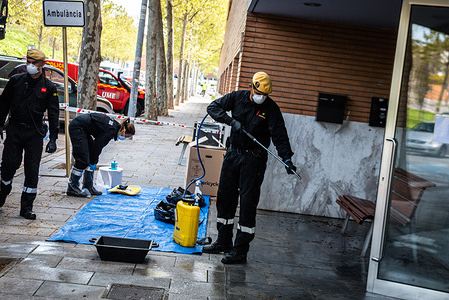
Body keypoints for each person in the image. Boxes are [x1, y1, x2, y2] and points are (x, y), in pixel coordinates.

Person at [204, 71, 297, 264]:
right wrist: (231, 121)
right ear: (251, 87)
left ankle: (240, 251)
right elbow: (213, 107)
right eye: (258, 92)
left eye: (265, 94)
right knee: (225, 198)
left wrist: (286, 158)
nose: (261, 97)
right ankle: (223, 242)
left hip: (253, 161)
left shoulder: (271, 109)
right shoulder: (237, 97)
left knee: (247, 204)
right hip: (232, 155)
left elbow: (279, 135)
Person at [0, 49, 59, 219]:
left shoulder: (49, 87)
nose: (31, 65)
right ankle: (3, 191)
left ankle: (26, 207)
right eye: (29, 62)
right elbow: (3, 104)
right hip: (15, 131)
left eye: (34, 63)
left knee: (32, 171)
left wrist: (53, 138)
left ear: (42, 64)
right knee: (9, 165)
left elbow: (54, 113)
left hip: (34, 134)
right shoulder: (16, 81)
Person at [67, 113, 135, 197]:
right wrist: (93, 161)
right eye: (126, 136)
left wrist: (94, 161)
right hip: (77, 127)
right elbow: (97, 146)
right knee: (83, 160)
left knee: (91, 158)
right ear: (123, 131)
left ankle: (88, 186)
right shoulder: (111, 131)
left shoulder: (115, 127)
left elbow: (96, 147)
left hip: (84, 129)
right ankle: (72, 188)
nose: (124, 138)